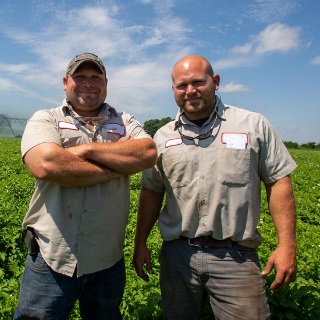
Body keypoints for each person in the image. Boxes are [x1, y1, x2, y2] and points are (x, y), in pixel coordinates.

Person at [133, 55, 297, 320]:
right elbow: (152, 191)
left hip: (236, 257)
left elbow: (278, 181)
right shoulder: (163, 136)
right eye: (181, 85)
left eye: (198, 82)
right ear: (173, 89)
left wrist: (287, 246)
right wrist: (140, 243)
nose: (190, 91)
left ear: (215, 82)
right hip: (178, 256)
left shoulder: (253, 125)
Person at [14, 52, 157, 320]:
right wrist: (119, 161)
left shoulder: (124, 120)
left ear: (106, 83)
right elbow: (46, 164)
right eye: (80, 77)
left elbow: (148, 153)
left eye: (95, 77)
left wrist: (85, 150)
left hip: (107, 259)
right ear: (65, 82)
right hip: (51, 257)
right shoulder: (46, 118)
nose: (88, 83)